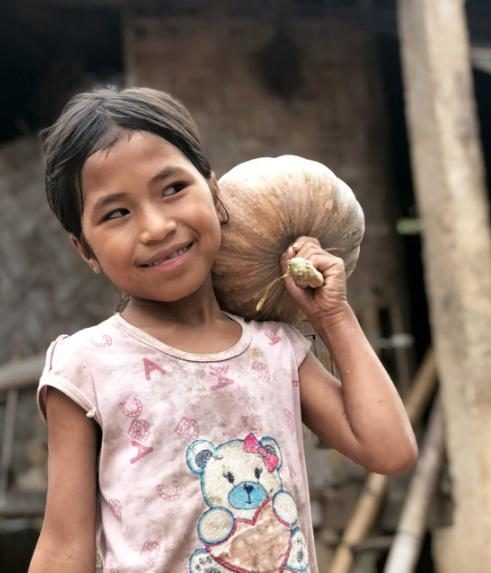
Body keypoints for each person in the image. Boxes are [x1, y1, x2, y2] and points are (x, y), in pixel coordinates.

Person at [28, 87, 417, 573]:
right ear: (84, 249)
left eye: (172, 189)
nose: (155, 227)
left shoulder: (275, 349)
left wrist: (332, 318)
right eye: (116, 213)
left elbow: (390, 449)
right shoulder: (87, 366)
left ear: (214, 193)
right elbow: (65, 545)